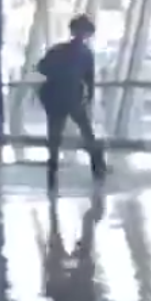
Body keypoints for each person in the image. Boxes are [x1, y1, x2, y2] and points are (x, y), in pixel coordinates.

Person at [37, 14, 107, 186]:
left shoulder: (57, 50)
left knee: (55, 134)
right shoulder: (85, 54)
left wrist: (56, 75)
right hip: (72, 96)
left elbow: (42, 68)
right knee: (86, 131)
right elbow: (89, 79)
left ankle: (52, 168)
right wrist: (89, 97)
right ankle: (97, 165)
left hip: (55, 95)